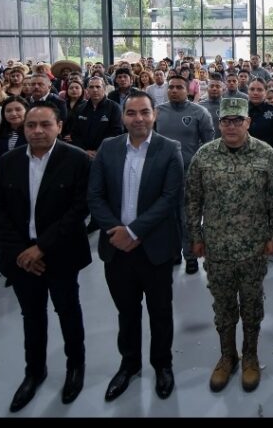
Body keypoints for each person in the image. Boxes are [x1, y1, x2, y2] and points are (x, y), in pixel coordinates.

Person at [0, 103, 92, 413]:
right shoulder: (9, 162)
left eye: (45, 124)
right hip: (22, 257)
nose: (37, 131)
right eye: (31, 125)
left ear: (59, 126)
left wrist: (42, 247)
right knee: (32, 316)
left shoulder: (76, 160)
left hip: (61, 253)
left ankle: (75, 367)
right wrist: (21, 251)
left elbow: (79, 209)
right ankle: (34, 371)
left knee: (68, 312)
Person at [186, 97, 273, 393]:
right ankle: (227, 356)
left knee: (252, 305)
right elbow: (192, 199)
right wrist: (195, 237)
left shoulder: (266, 154)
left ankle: (251, 356)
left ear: (248, 122)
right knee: (224, 306)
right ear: (219, 124)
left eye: (237, 120)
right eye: (226, 121)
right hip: (217, 247)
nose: (231, 126)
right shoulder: (204, 156)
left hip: (254, 249)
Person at [87, 91, 184, 402]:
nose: (138, 118)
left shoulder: (169, 149)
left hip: (154, 247)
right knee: (126, 312)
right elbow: (95, 196)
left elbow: (170, 198)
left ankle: (162, 365)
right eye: (131, 113)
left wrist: (134, 231)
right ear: (123, 116)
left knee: (160, 312)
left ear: (155, 115)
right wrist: (117, 231)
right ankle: (129, 364)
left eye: (144, 112)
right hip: (117, 248)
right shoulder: (108, 147)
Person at [154, 73, 215, 276]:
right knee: (168, 216)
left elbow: (208, 145)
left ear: (187, 90)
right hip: (163, 174)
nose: (174, 90)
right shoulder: (157, 112)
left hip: (190, 173)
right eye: (171, 87)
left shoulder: (199, 112)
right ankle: (173, 252)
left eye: (179, 87)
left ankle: (190, 256)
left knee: (188, 217)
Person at [66, 76, 122, 157]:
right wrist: (84, 151)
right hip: (83, 154)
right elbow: (75, 134)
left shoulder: (114, 108)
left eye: (98, 87)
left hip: (105, 154)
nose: (95, 90)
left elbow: (116, 133)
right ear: (87, 90)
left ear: (104, 88)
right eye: (91, 87)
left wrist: (99, 151)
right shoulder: (80, 108)